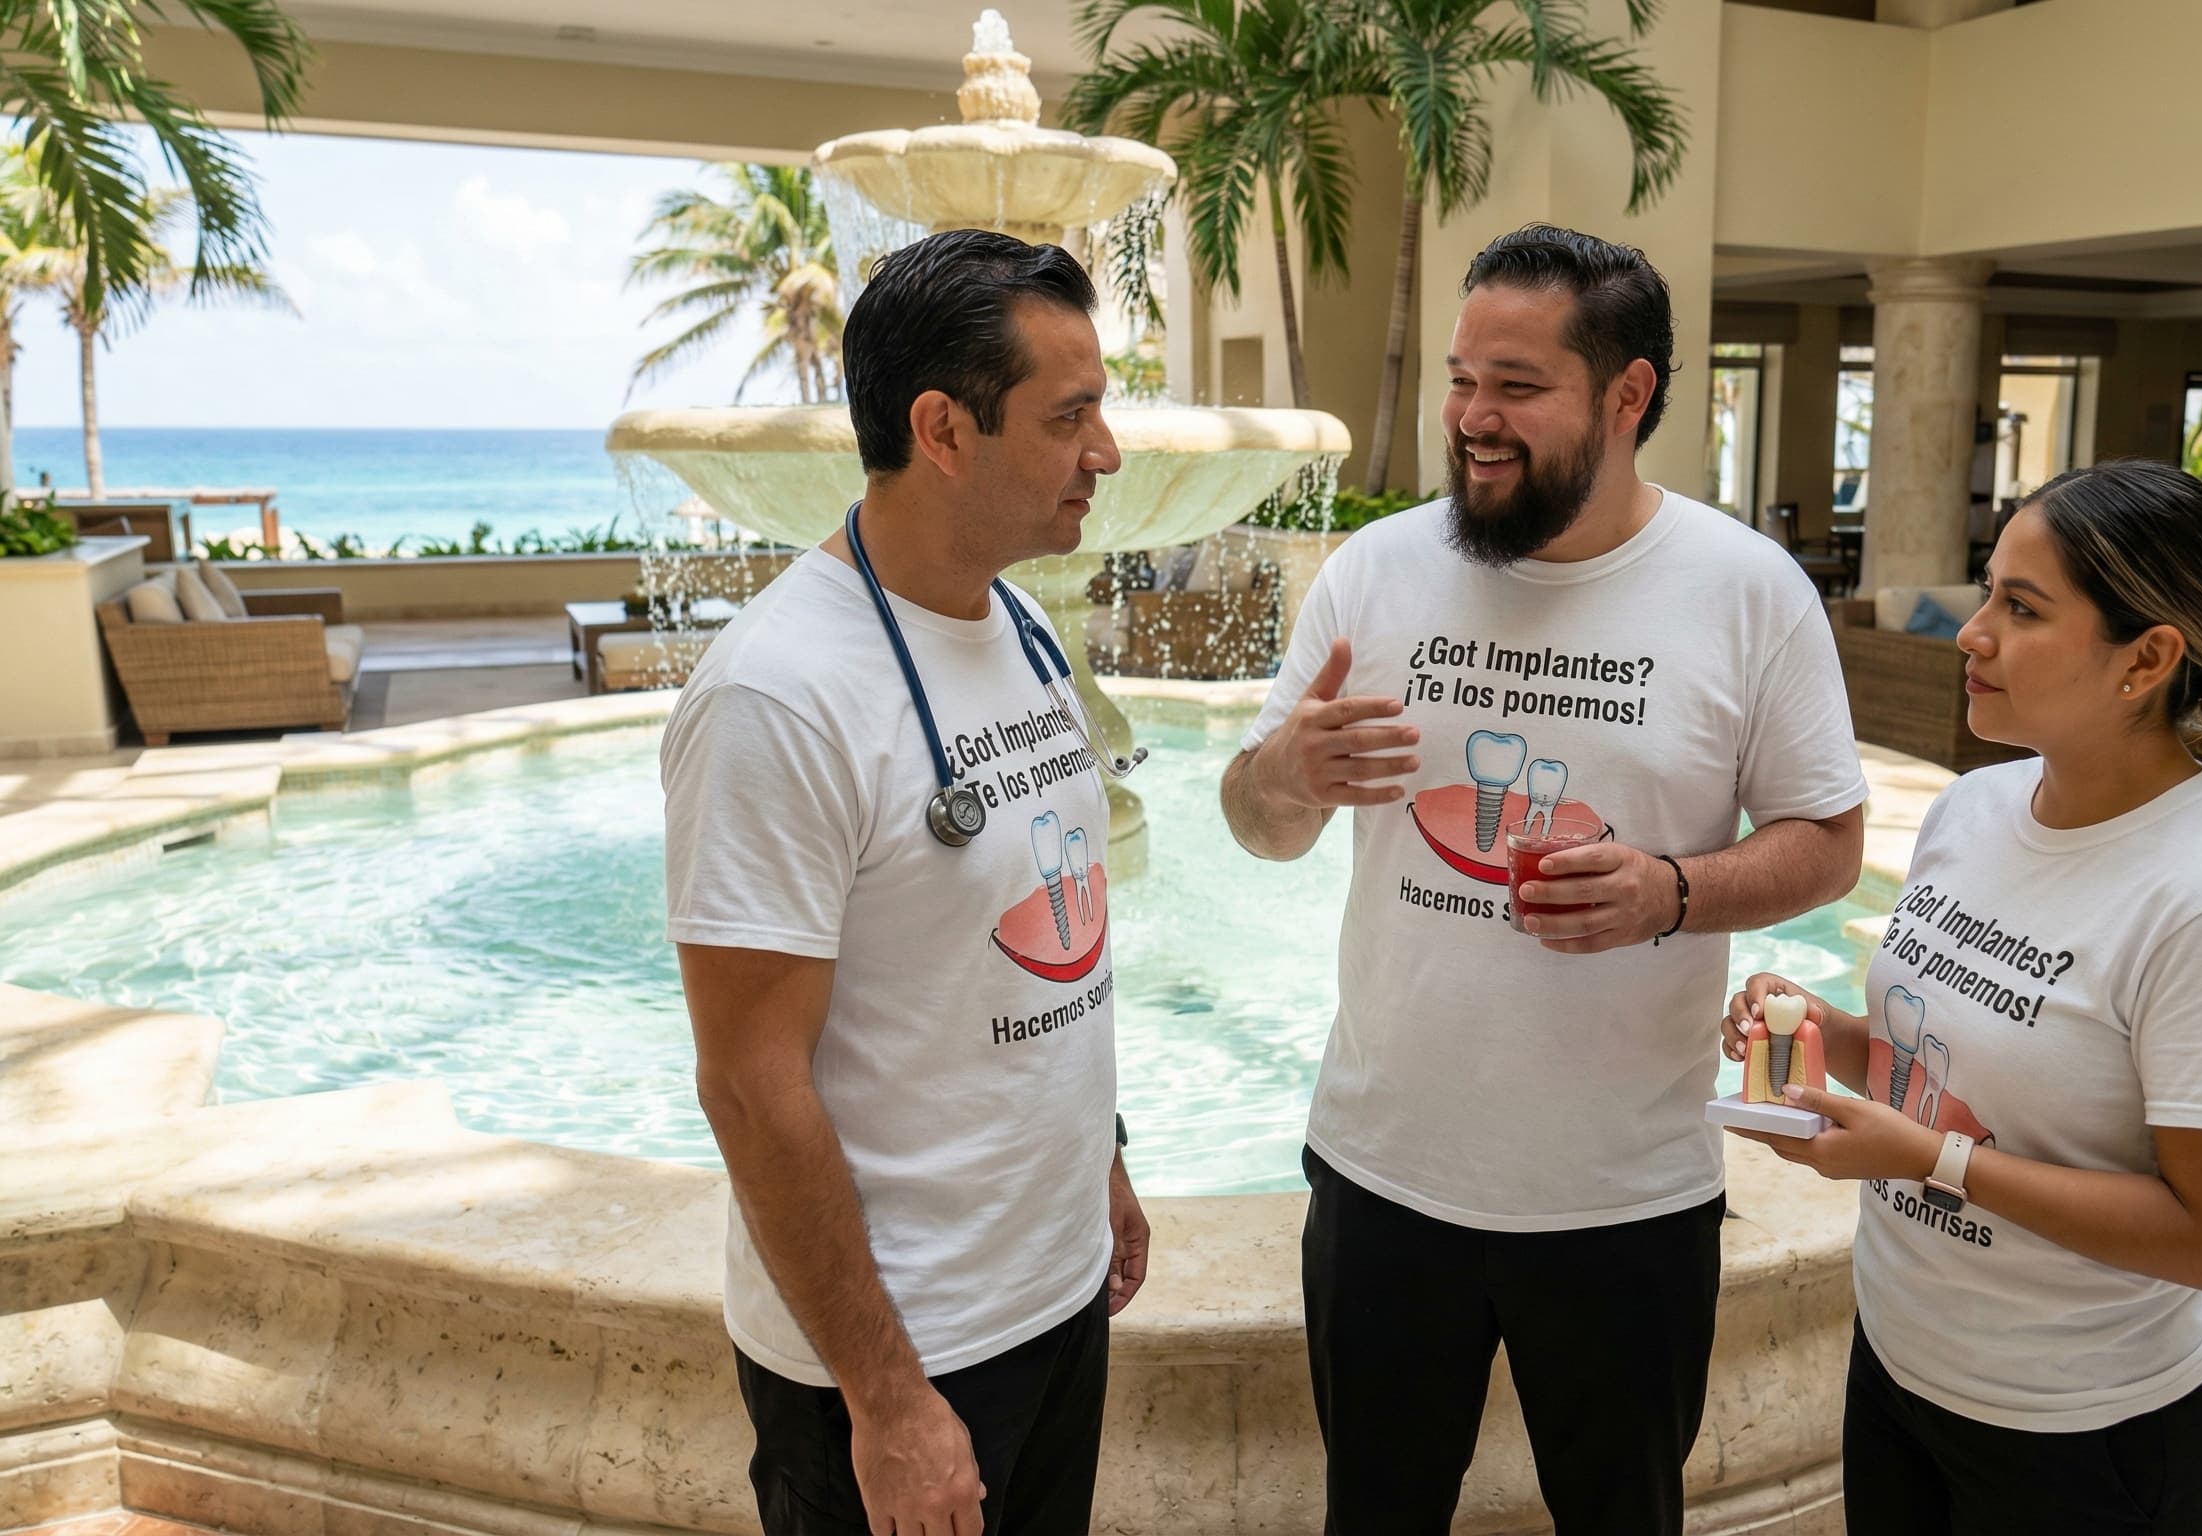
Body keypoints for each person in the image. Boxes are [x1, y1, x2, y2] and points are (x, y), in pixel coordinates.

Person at [1221, 223, 1870, 1533]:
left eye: (1517, 386)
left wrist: (1671, 892)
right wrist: (1284, 774)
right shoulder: (1375, 574)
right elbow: (1258, 826)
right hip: (1384, 1180)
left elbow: (1828, 841)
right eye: (1462, 379)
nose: (1473, 417)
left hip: (1626, 1201)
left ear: (1628, 394)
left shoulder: (1746, 592)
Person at [1723, 459, 2202, 1535]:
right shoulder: (1974, 807)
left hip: (2085, 1432)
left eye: (2023, 607)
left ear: (2146, 658)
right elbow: (1946, 1067)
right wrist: (1829, 1034)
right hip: (1902, 1366)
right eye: (1987, 591)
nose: (1973, 632)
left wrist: (1932, 1160)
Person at [664, 230, 1150, 1536]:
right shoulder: (779, 696)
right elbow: (748, 1083)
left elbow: (1038, 934)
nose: (1106, 453)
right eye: (1068, 418)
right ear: (942, 430)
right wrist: (885, 1400)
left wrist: (1099, 1161)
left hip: (1052, 1296)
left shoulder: (1020, 622)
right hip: (905, 1357)